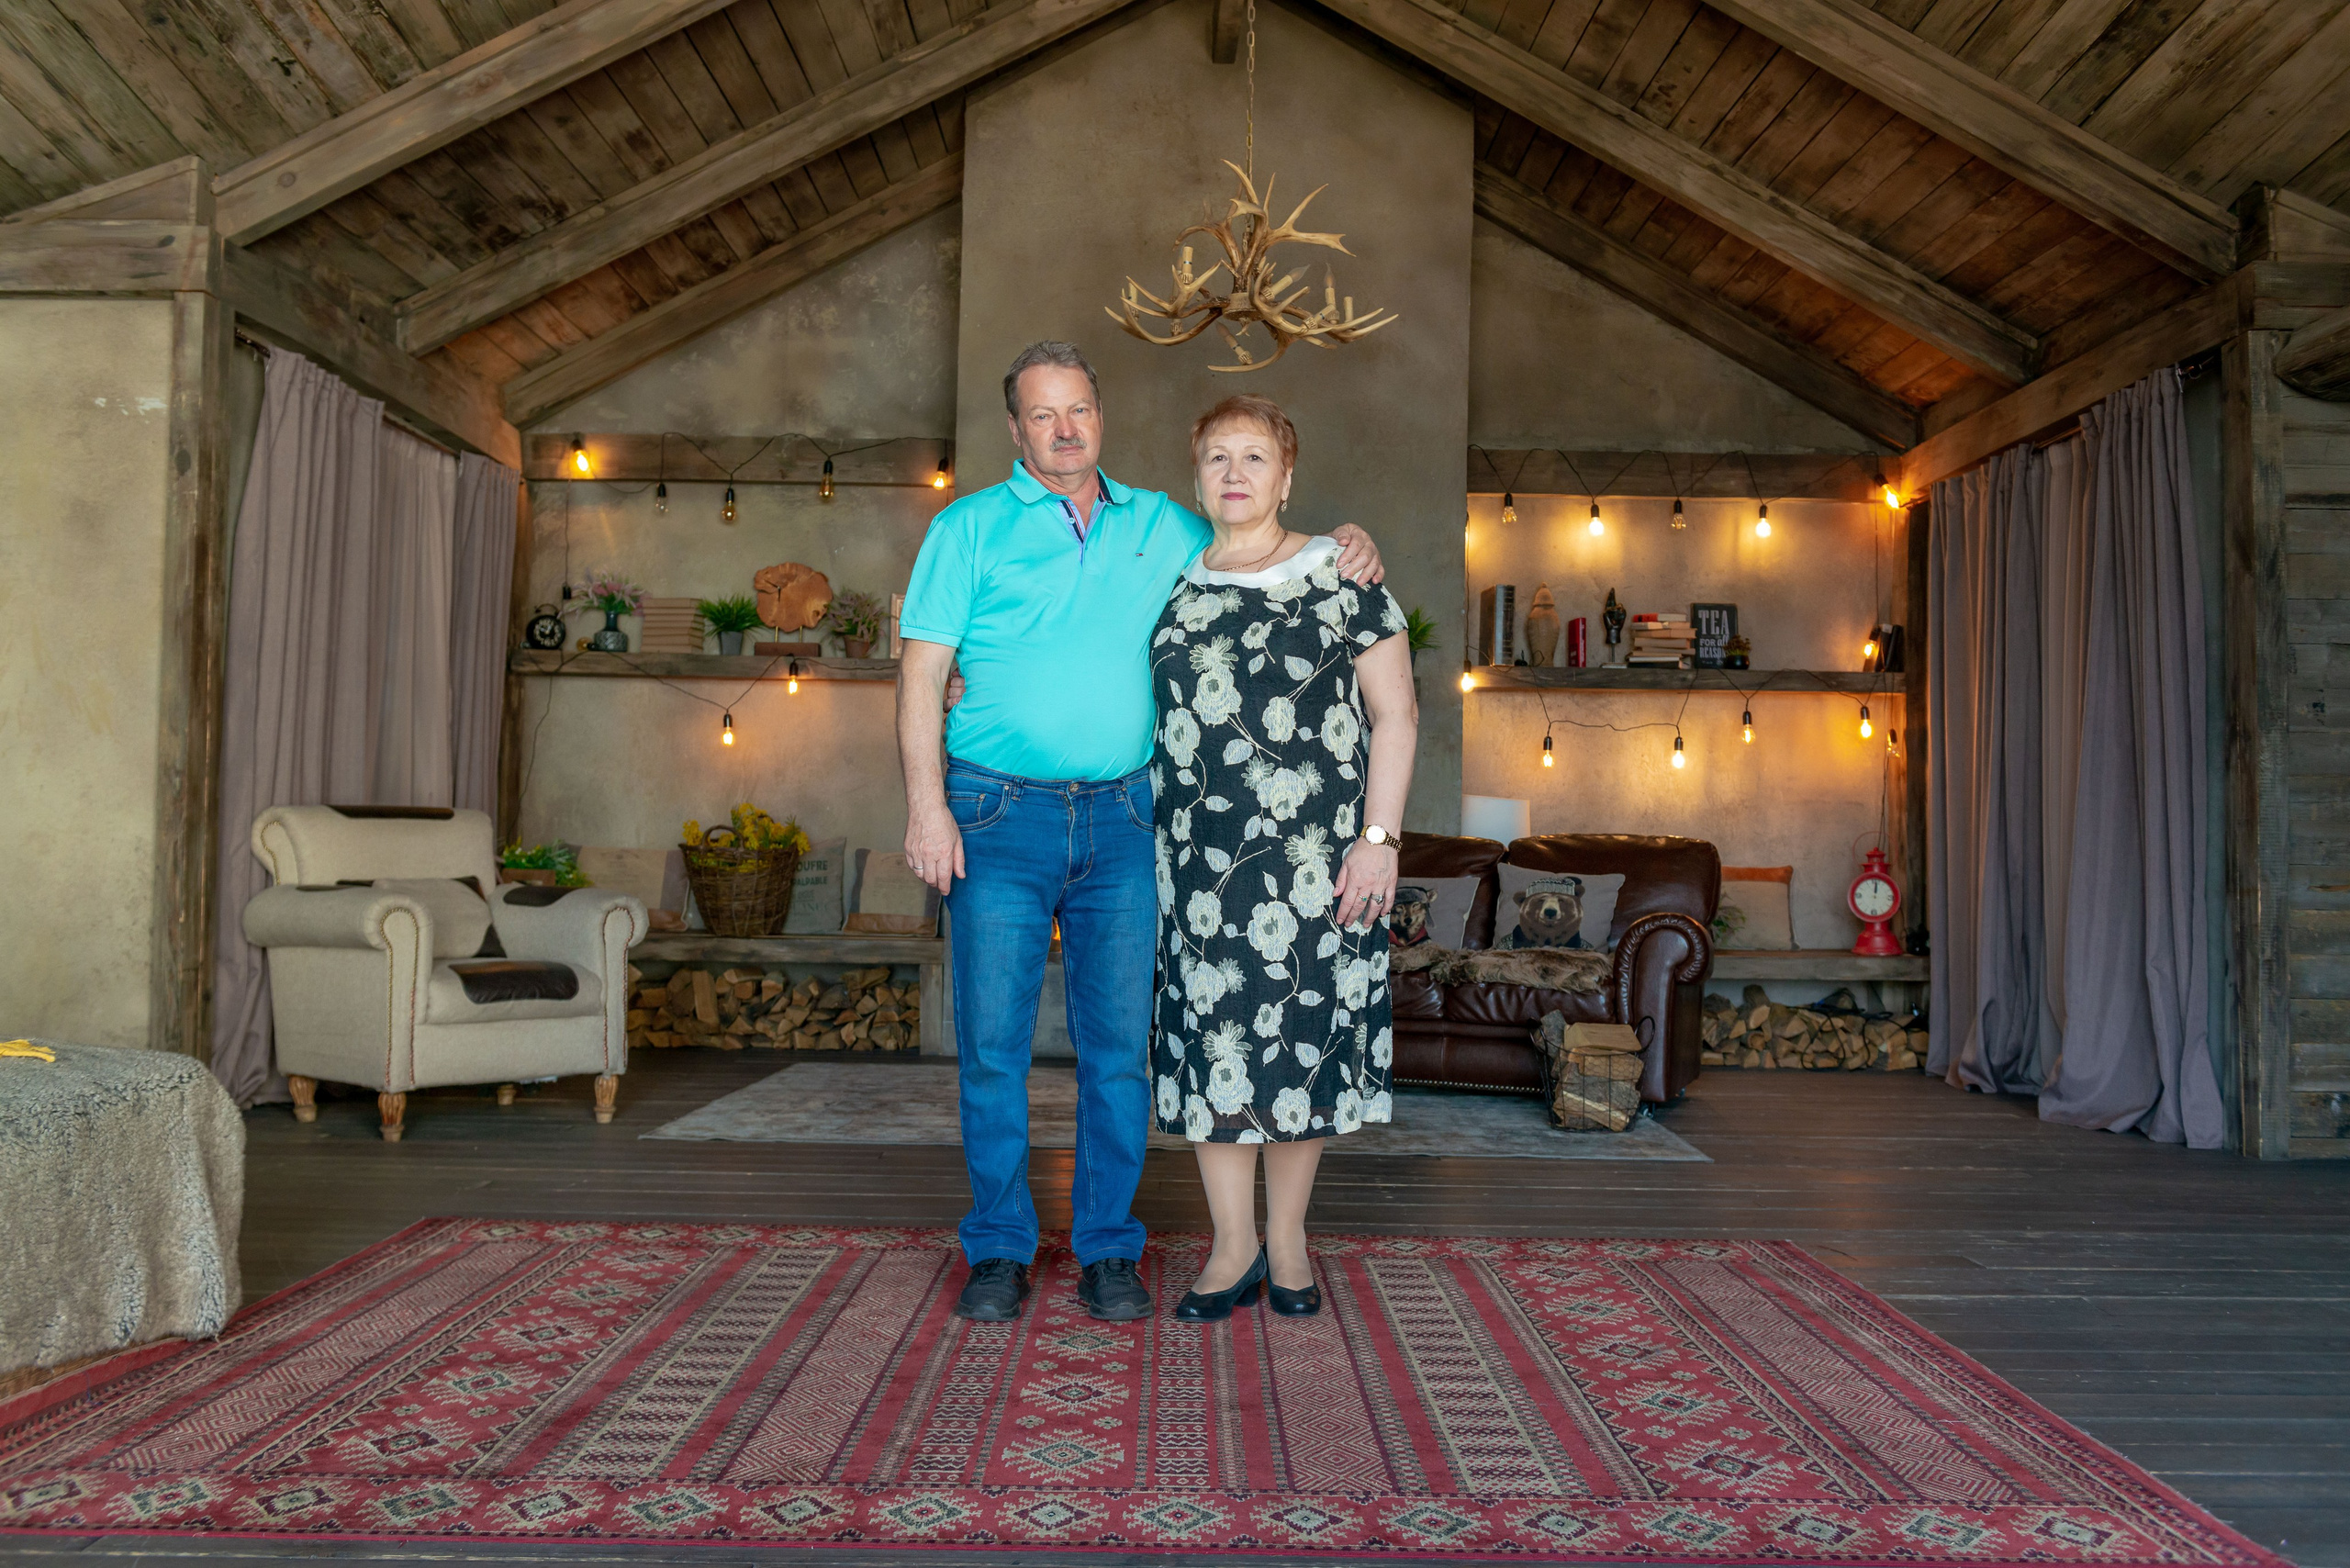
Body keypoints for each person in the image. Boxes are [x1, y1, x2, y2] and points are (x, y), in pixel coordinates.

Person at [894, 342, 1384, 1324]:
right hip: (995, 813)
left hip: (1125, 818)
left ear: (1100, 416)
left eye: (1078, 409)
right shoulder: (967, 527)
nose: (1064, 430)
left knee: (1119, 1049)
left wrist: (1349, 542)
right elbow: (919, 676)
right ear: (1015, 428)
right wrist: (925, 805)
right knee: (992, 1047)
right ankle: (998, 1248)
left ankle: (1109, 1247)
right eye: (1043, 414)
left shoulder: (1163, 524)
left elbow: (1259, 543)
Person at [1149, 393, 1417, 1321]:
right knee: (1216, 1047)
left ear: (1287, 475)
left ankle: (1290, 1240)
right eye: (1217, 456)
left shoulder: (1342, 574)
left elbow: (1396, 716)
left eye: (1254, 457)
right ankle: (1232, 1247)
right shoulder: (1171, 583)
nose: (1234, 473)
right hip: (1196, 865)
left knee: (1302, 1043)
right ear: (1197, 475)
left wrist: (1378, 841)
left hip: (1316, 861)